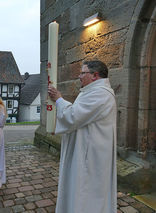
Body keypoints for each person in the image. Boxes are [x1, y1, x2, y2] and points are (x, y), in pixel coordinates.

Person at [48, 60, 117, 213]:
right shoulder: (91, 91)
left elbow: (73, 115)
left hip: (90, 155)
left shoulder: (100, 94)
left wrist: (58, 99)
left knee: (86, 191)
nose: (79, 76)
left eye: (82, 73)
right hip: (86, 150)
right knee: (81, 189)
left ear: (95, 75)